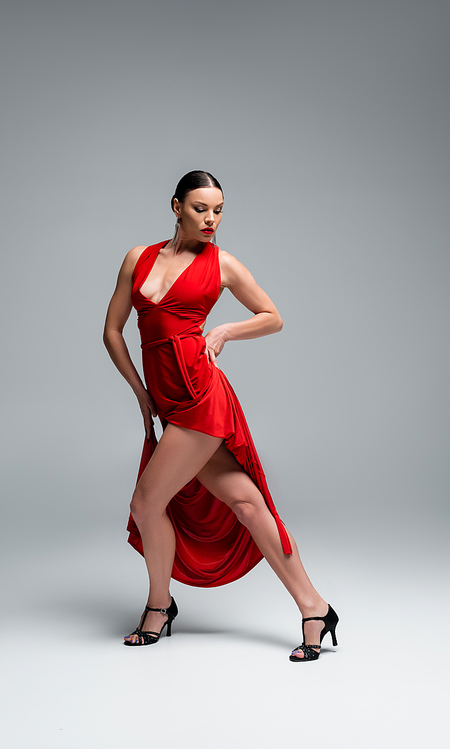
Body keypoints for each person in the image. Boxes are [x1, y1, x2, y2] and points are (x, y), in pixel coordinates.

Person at [103, 170, 338, 661]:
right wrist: (141, 396)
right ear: (176, 207)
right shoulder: (137, 259)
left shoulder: (223, 264)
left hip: (201, 396)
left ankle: (158, 606)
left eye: (218, 210)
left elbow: (272, 316)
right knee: (248, 504)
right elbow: (112, 331)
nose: (211, 220)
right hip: (167, 399)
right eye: (200, 209)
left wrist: (227, 331)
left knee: (147, 502)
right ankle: (315, 607)